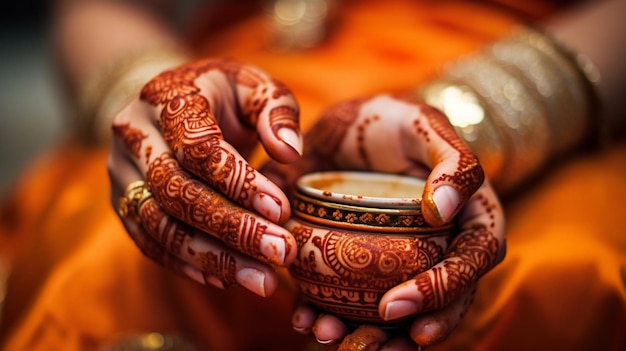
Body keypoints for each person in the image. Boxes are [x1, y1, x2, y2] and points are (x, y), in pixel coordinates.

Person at [0, 0, 624, 350]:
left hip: (555, 70)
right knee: (102, 260)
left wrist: (484, 119)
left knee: (560, 272)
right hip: (244, 87)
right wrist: (160, 103)